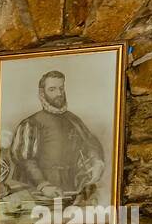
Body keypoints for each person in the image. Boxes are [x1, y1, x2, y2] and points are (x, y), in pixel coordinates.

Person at [7, 70, 106, 204]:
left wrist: (97, 161)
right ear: (42, 93)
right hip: (38, 192)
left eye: (61, 88)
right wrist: (43, 185)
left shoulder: (73, 120)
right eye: (52, 89)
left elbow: (90, 142)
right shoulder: (31, 123)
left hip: (71, 187)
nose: (59, 94)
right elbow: (25, 160)